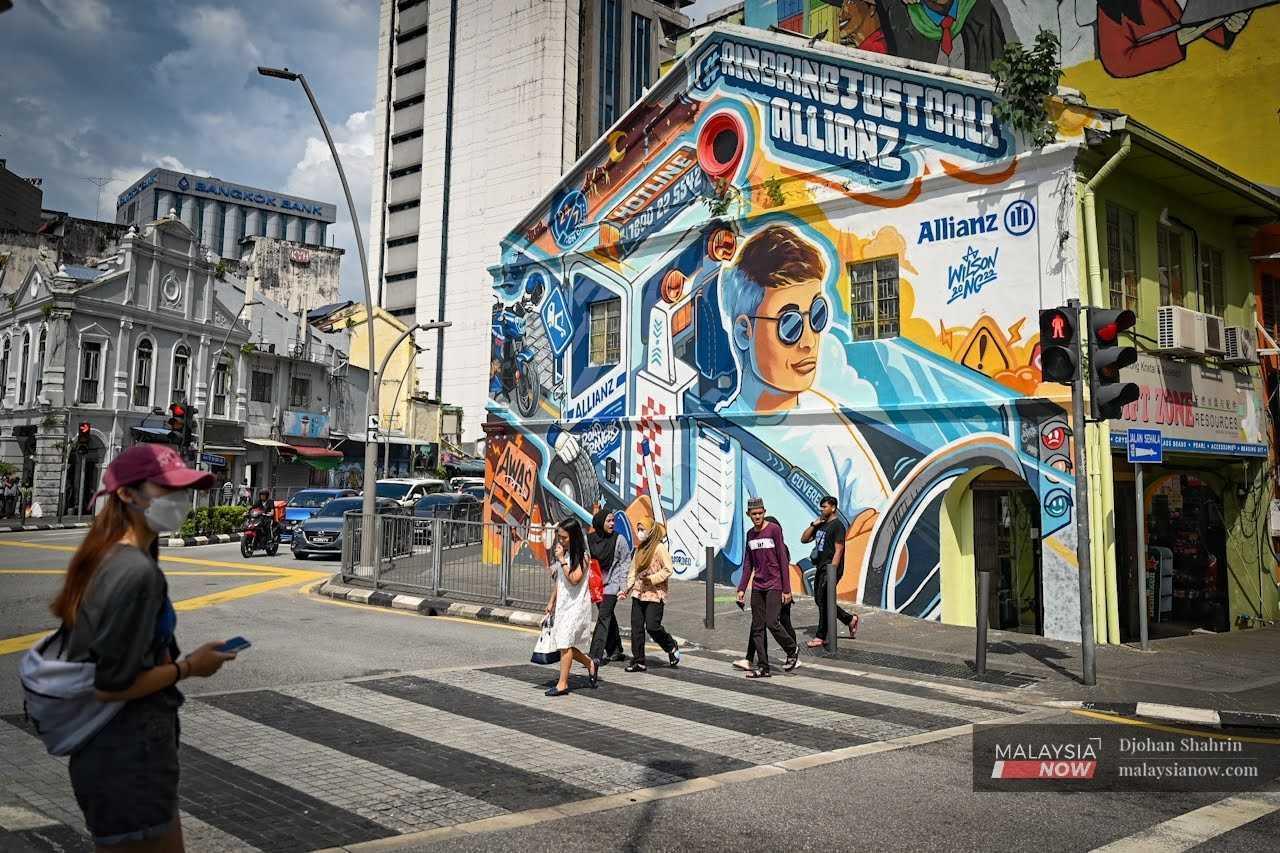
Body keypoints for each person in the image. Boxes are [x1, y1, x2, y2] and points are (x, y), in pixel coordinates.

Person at [50, 444, 237, 851]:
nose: (179, 500)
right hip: (128, 757)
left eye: (183, 490)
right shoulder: (135, 572)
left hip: (118, 756)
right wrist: (191, 666)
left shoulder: (111, 557)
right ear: (127, 494)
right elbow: (111, 684)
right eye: (167, 489)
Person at [737, 497, 799, 678]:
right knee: (757, 628)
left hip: (775, 584)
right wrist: (741, 588)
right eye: (753, 514)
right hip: (758, 585)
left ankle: (792, 648)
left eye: (760, 513)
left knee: (772, 622)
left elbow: (782, 560)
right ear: (748, 514)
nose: (757, 516)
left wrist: (787, 589)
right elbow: (748, 563)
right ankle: (763, 667)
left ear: (764, 512)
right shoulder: (750, 534)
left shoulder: (774, 530)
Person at [543, 517, 599, 696]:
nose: (560, 541)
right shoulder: (565, 555)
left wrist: (561, 559)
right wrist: (551, 601)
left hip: (576, 605)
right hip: (563, 604)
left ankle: (562, 684)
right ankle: (590, 663)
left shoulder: (583, 556)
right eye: (559, 537)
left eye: (564, 537)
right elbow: (560, 581)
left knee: (565, 643)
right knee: (564, 643)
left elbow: (574, 579)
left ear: (574, 537)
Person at [622, 517, 681, 672]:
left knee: (653, 626)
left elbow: (668, 569)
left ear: (651, 531)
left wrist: (652, 579)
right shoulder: (639, 549)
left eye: (643, 529)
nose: (640, 533)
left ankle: (671, 646)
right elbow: (633, 571)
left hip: (655, 593)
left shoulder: (659, 548)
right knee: (636, 627)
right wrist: (627, 589)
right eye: (638, 529)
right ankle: (638, 661)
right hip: (639, 592)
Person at [802, 495, 859, 649]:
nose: (821, 509)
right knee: (820, 600)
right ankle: (849, 619)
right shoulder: (821, 524)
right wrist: (814, 524)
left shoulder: (837, 526)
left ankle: (821, 636)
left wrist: (832, 572)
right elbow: (804, 539)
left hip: (831, 569)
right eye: (821, 507)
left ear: (833, 508)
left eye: (824, 507)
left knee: (824, 601)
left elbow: (839, 549)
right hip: (820, 567)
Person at [587, 509, 630, 667]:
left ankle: (595, 654)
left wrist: (623, 587)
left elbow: (625, 562)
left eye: (613, 521)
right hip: (597, 585)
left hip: (612, 585)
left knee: (603, 617)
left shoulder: (619, 540)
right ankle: (616, 650)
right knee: (607, 615)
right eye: (608, 521)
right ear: (600, 523)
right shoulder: (589, 540)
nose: (612, 524)